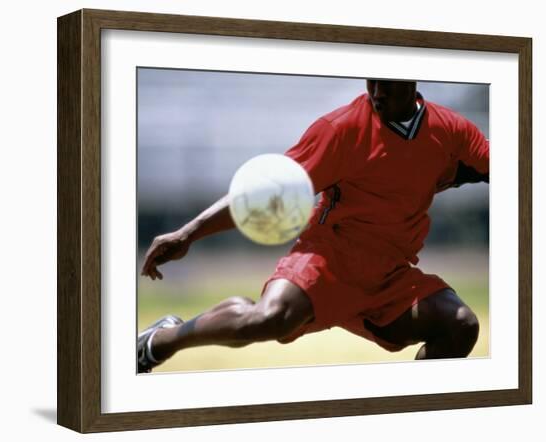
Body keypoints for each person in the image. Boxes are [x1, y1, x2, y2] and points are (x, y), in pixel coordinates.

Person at [137, 79, 489, 374]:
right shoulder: (340, 129)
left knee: (459, 326)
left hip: (389, 276)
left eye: (388, 81)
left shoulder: (451, 131)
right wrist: (189, 233)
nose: (377, 91)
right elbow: (262, 194)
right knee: (268, 319)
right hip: (328, 259)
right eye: (372, 80)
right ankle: (161, 340)